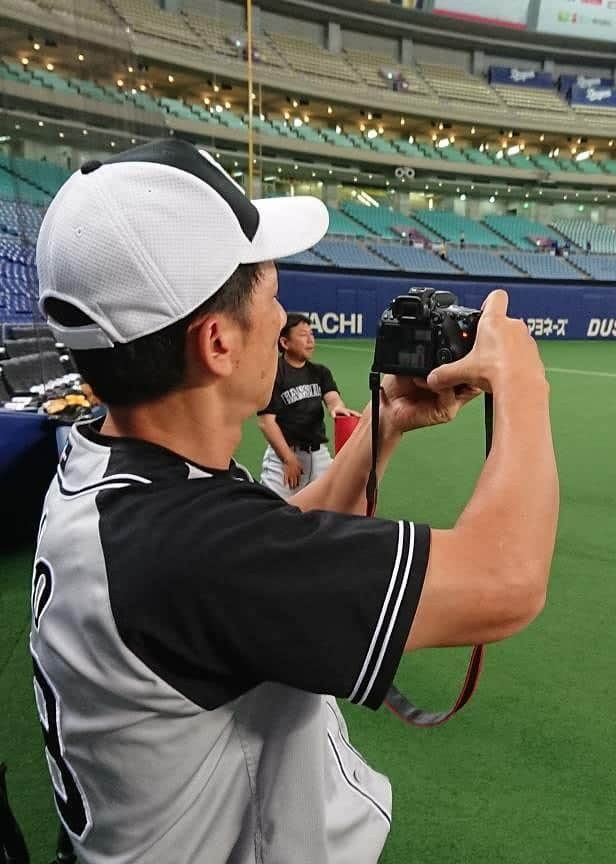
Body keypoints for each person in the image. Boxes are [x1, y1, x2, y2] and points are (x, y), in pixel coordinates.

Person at [29, 139, 558, 862]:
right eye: (273, 295)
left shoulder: (119, 473)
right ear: (216, 342)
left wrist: (385, 424)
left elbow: (275, 539)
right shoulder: (192, 549)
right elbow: (507, 582)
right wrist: (524, 384)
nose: (283, 320)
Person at [257, 312, 360, 498]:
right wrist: (288, 459)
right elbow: (266, 422)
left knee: (333, 502)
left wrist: (337, 408)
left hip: (318, 454)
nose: (310, 340)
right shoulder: (274, 374)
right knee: (276, 511)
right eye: (303, 335)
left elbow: (333, 399)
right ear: (284, 343)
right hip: (284, 456)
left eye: (312, 334)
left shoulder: (319, 372)